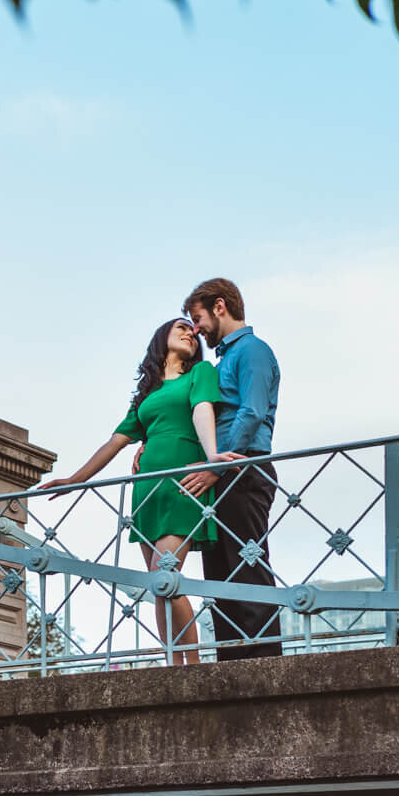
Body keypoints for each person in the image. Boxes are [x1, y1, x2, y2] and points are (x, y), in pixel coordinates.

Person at [43, 317, 226, 666]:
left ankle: (195, 668)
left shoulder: (199, 373)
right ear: (162, 339)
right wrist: (76, 479)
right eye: (181, 329)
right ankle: (174, 665)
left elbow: (203, 410)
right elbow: (115, 442)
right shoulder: (147, 394)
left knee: (165, 575)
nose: (190, 334)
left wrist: (212, 456)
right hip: (148, 490)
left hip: (182, 483)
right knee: (159, 587)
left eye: (192, 331)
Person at [179, 278, 282, 659]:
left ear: (219, 306)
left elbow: (252, 412)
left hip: (242, 470)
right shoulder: (222, 361)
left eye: (198, 317)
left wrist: (215, 468)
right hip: (223, 474)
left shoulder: (252, 350)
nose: (196, 328)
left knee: (248, 565)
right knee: (220, 576)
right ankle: (231, 662)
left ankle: (264, 664)